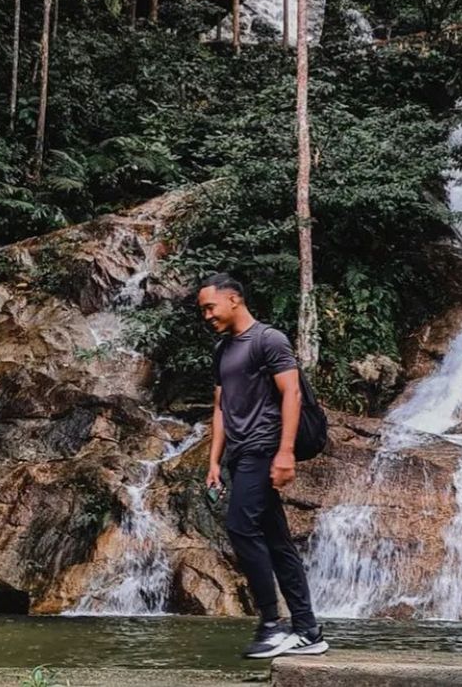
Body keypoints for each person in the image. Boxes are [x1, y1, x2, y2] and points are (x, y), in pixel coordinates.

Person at [197, 272, 329, 660]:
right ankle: (308, 631)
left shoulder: (268, 340)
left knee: (240, 527)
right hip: (239, 454)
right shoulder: (223, 351)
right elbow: (220, 408)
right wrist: (214, 462)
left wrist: (285, 452)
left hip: (264, 447)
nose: (206, 315)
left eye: (210, 307)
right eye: (202, 309)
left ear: (234, 299)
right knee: (277, 542)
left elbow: (292, 394)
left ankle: (271, 625)